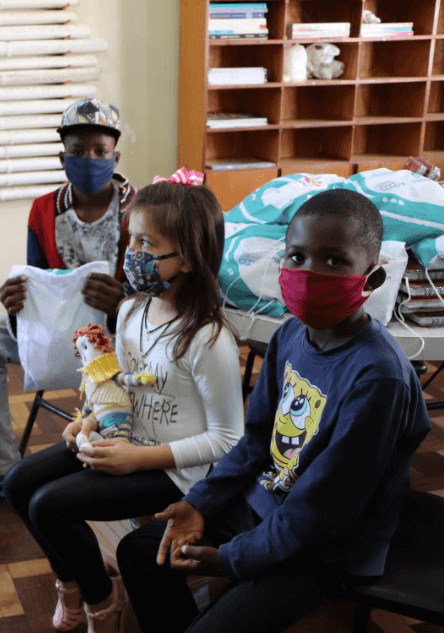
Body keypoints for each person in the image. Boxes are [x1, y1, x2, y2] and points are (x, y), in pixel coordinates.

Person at [115, 189, 431, 633]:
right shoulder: (290, 336)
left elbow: (326, 509)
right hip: (267, 504)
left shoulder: (378, 377)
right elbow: (255, 443)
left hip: (326, 548)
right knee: (140, 553)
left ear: (372, 278)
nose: (309, 273)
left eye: (334, 261)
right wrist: (198, 502)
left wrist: (230, 559)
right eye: (297, 257)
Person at [2, 172, 245, 633]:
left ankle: (101, 601)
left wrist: (137, 459)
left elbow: (228, 439)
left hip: (172, 470)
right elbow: (126, 387)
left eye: (146, 245)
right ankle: (74, 581)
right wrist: (91, 420)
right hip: (123, 438)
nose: (131, 256)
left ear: (189, 259)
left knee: (49, 506)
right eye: (130, 240)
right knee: (18, 484)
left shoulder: (208, 339)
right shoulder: (132, 309)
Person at [0, 97, 137, 508]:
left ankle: (122, 451)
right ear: (62, 157)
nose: (89, 159)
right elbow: (36, 281)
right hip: (57, 334)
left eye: (99, 151)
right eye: (77, 151)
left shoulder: (140, 209)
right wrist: (16, 303)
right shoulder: (43, 210)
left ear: (115, 156)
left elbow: (157, 296)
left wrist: (123, 303)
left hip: (124, 339)